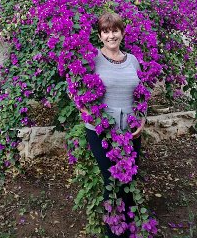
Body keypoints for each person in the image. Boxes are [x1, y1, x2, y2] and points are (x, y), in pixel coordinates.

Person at [83, 12, 146, 238]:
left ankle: (128, 230)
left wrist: (142, 119)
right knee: (112, 181)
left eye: (115, 30)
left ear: (122, 32)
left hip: (130, 132)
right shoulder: (92, 60)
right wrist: (88, 113)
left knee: (129, 180)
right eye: (106, 31)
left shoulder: (133, 60)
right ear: (100, 35)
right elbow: (76, 91)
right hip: (102, 132)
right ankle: (114, 233)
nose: (111, 35)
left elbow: (142, 94)